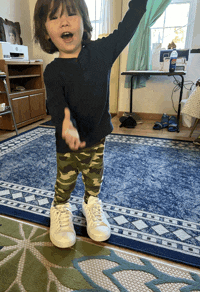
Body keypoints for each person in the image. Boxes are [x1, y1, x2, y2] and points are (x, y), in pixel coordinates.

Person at [34, 0, 148, 248]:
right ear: (45, 32)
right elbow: (56, 102)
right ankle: (60, 207)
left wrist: (139, 4)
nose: (64, 21)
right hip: (67, 142)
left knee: (94, 178)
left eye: (71, 14)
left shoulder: (102, 52)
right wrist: (66, 122)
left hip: (97, 136)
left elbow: (128, 27)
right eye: (54, 17)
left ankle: (90, 204)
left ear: (84, 22)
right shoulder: (52, 72)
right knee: (65, 181)